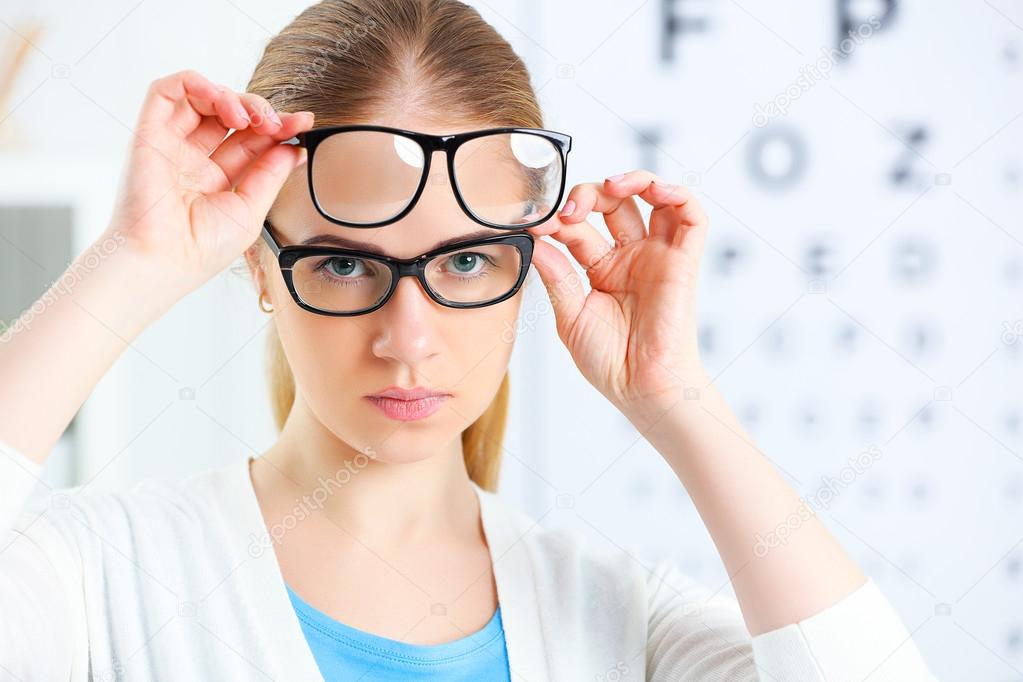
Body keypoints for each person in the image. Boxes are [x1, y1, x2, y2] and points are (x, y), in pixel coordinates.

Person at [0, 1, 937, 680]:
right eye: (341, 265)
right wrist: (131, 262)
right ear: (257, 265)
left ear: (528, 266)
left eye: (463, 265)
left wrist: (674, 396)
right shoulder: (100, 575)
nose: (407, 342)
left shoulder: (619, 622)